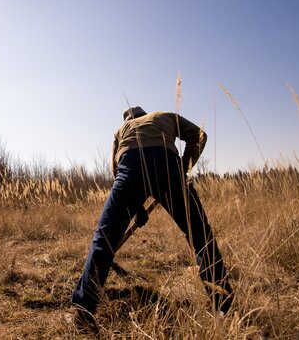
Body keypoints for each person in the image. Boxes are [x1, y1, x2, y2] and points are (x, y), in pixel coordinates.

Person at [70, 106, 234, 332]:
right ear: (144, 115)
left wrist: (135, 209)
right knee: (199, 234)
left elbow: (117, 171)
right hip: (167, 165)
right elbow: (199, 135)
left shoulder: (121, 130)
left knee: (104, 239)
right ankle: (224, 308)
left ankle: (83, 313)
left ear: (128, 120)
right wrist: (183, 167)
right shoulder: (164, 116)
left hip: (130, 169)